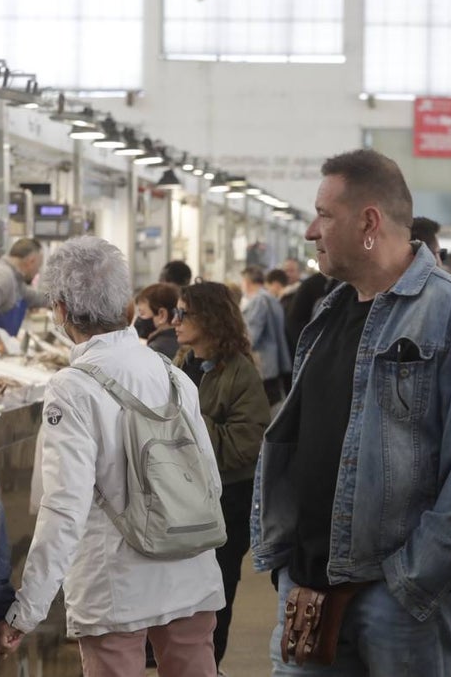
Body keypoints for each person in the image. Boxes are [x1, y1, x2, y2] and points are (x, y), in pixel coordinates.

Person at [252, 149, 451, 676]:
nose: (311, 231)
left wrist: (412, 577)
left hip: (398, 598)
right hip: (309, 584)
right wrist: (285, 560)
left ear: (369, 222)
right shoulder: (329, 310)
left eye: (324, 215)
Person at [0, 237, 224, 677]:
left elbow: (64, 507)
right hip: (190, 570)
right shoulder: (173, 375)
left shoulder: (72, 388)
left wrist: (27, 608)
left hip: (116, 584)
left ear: (61, 310)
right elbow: (209, 481)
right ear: (126, 306)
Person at [173, 282, 272, 670]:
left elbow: (244, 445)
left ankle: (210, 664)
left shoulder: (241, 373)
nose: (176, 321)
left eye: (184, 314)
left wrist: (190, 422)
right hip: (183, 498)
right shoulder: (183, 362)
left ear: (210, 319)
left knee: (217, 591)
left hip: (227, 501)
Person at [241, 265, 292, 406]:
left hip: (262, 363)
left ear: (247, 282)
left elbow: (252, 334)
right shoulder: (272, 299)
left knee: (263, 406)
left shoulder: (258, 300)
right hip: (274, 362)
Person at [134, 282, 180, 359]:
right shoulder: (181, 343)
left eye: (142, 313)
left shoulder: (155, 350)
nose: (139, 319)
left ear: (162, 315)